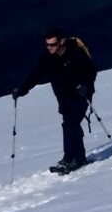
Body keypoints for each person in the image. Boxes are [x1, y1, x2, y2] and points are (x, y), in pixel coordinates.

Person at [13, 27, 98, 174]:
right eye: (47, 45)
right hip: (64, 97)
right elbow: (36, 74)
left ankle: (76, 158)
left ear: (62, 42)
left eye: (53, 44)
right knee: (67, 125)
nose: (50, 48)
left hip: (81, 94)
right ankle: (71, 157)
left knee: (72, 123)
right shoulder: (47, 58)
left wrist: (85, 86)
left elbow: (91, 70)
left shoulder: (75, 53)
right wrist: (22, 89)